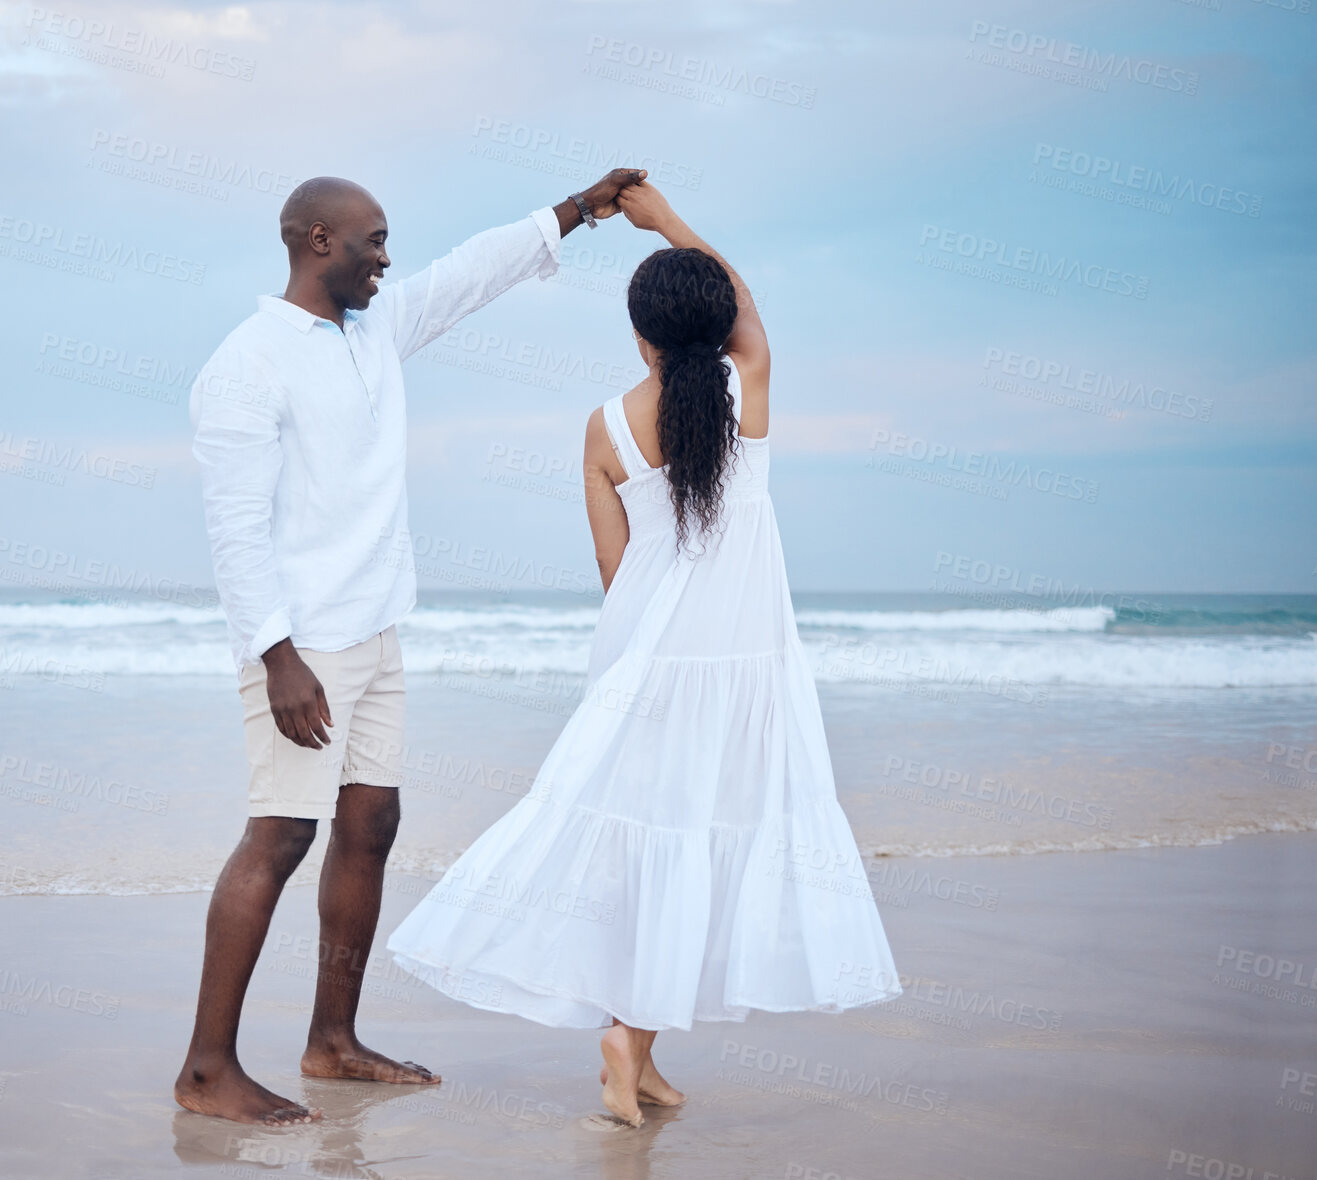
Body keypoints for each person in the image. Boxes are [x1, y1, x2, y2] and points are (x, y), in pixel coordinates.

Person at [385, 180, 903, 1125]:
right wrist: (663, 220)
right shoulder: (748, 384)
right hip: (741, 661)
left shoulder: (605, 426)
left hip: (644, 659)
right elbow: (739, 299)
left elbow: (612, 566)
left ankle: (640, 1048)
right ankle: (628, 1041)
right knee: (701, 842)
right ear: (718, 325)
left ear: (638, 334)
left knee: (649, 843)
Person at [176, 168, 650, 1126]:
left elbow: (468, 275)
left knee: (371, 826)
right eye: (372, 242)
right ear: (317, 242)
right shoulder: (247, 361)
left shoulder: (373, 332)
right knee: (280, 835)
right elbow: (232, 526)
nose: (387, 259)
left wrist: (575, 210)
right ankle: (205, 1069)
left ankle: (332, 1041)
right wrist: (275, 656)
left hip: (377, 621)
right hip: (302, 644)